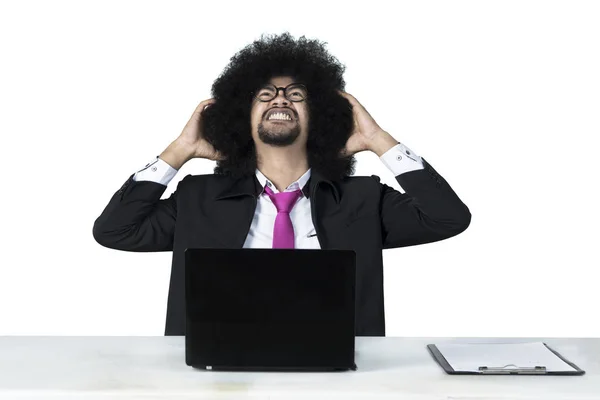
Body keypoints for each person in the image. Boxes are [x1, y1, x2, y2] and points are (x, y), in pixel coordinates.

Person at [93, 32, 471, 336]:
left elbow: (448, 218)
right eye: (265, 95)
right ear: (241, 117)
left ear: (319, 117)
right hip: (219, 374)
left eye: (296, 95)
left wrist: (379, 140)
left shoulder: (363, 199)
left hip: (339, 376)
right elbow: (115, 231)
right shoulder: (198, 198)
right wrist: (178, 151)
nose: (280, 98)